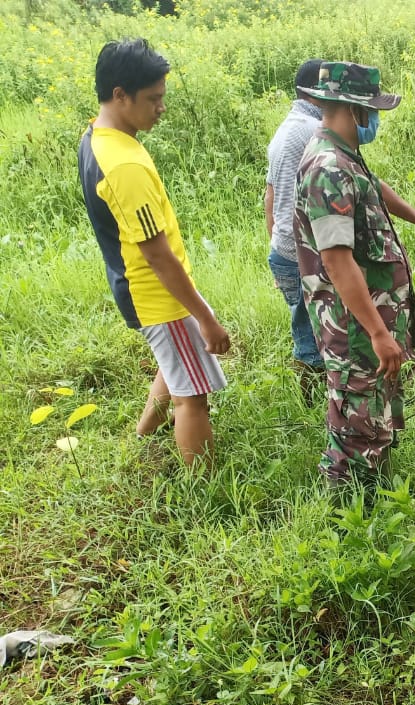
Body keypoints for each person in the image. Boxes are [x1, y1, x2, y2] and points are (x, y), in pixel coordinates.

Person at [293, 61, 415, 488]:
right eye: (372, 110)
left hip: (367, 319)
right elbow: (336, 260)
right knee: (356, 416)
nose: (375, 119)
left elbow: (372, 186)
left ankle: (376, 494)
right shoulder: (327, 167)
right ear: (354, 110)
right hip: (352, 325)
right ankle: (351, 514)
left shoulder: (343, 154)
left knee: (372, 406)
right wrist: (377, 333)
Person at [77, 38, 230, 468]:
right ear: (120, 94)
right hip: (158, 294)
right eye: (153, 99)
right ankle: (205, 490)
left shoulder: (97, 137)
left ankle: (144, 436)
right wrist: (205, 318)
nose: (161, 108)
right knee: (193, 398)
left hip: (134, 284)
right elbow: (157, 254)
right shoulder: (123, 164)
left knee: (174, 362)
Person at [266, 58, 325, 402]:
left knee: (305, 324)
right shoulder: (312, 131)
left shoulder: (286, 129)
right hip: (303, 251)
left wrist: (277, 248)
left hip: (285, 249)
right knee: (314, 333)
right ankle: (313, 403)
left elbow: (269, 197)